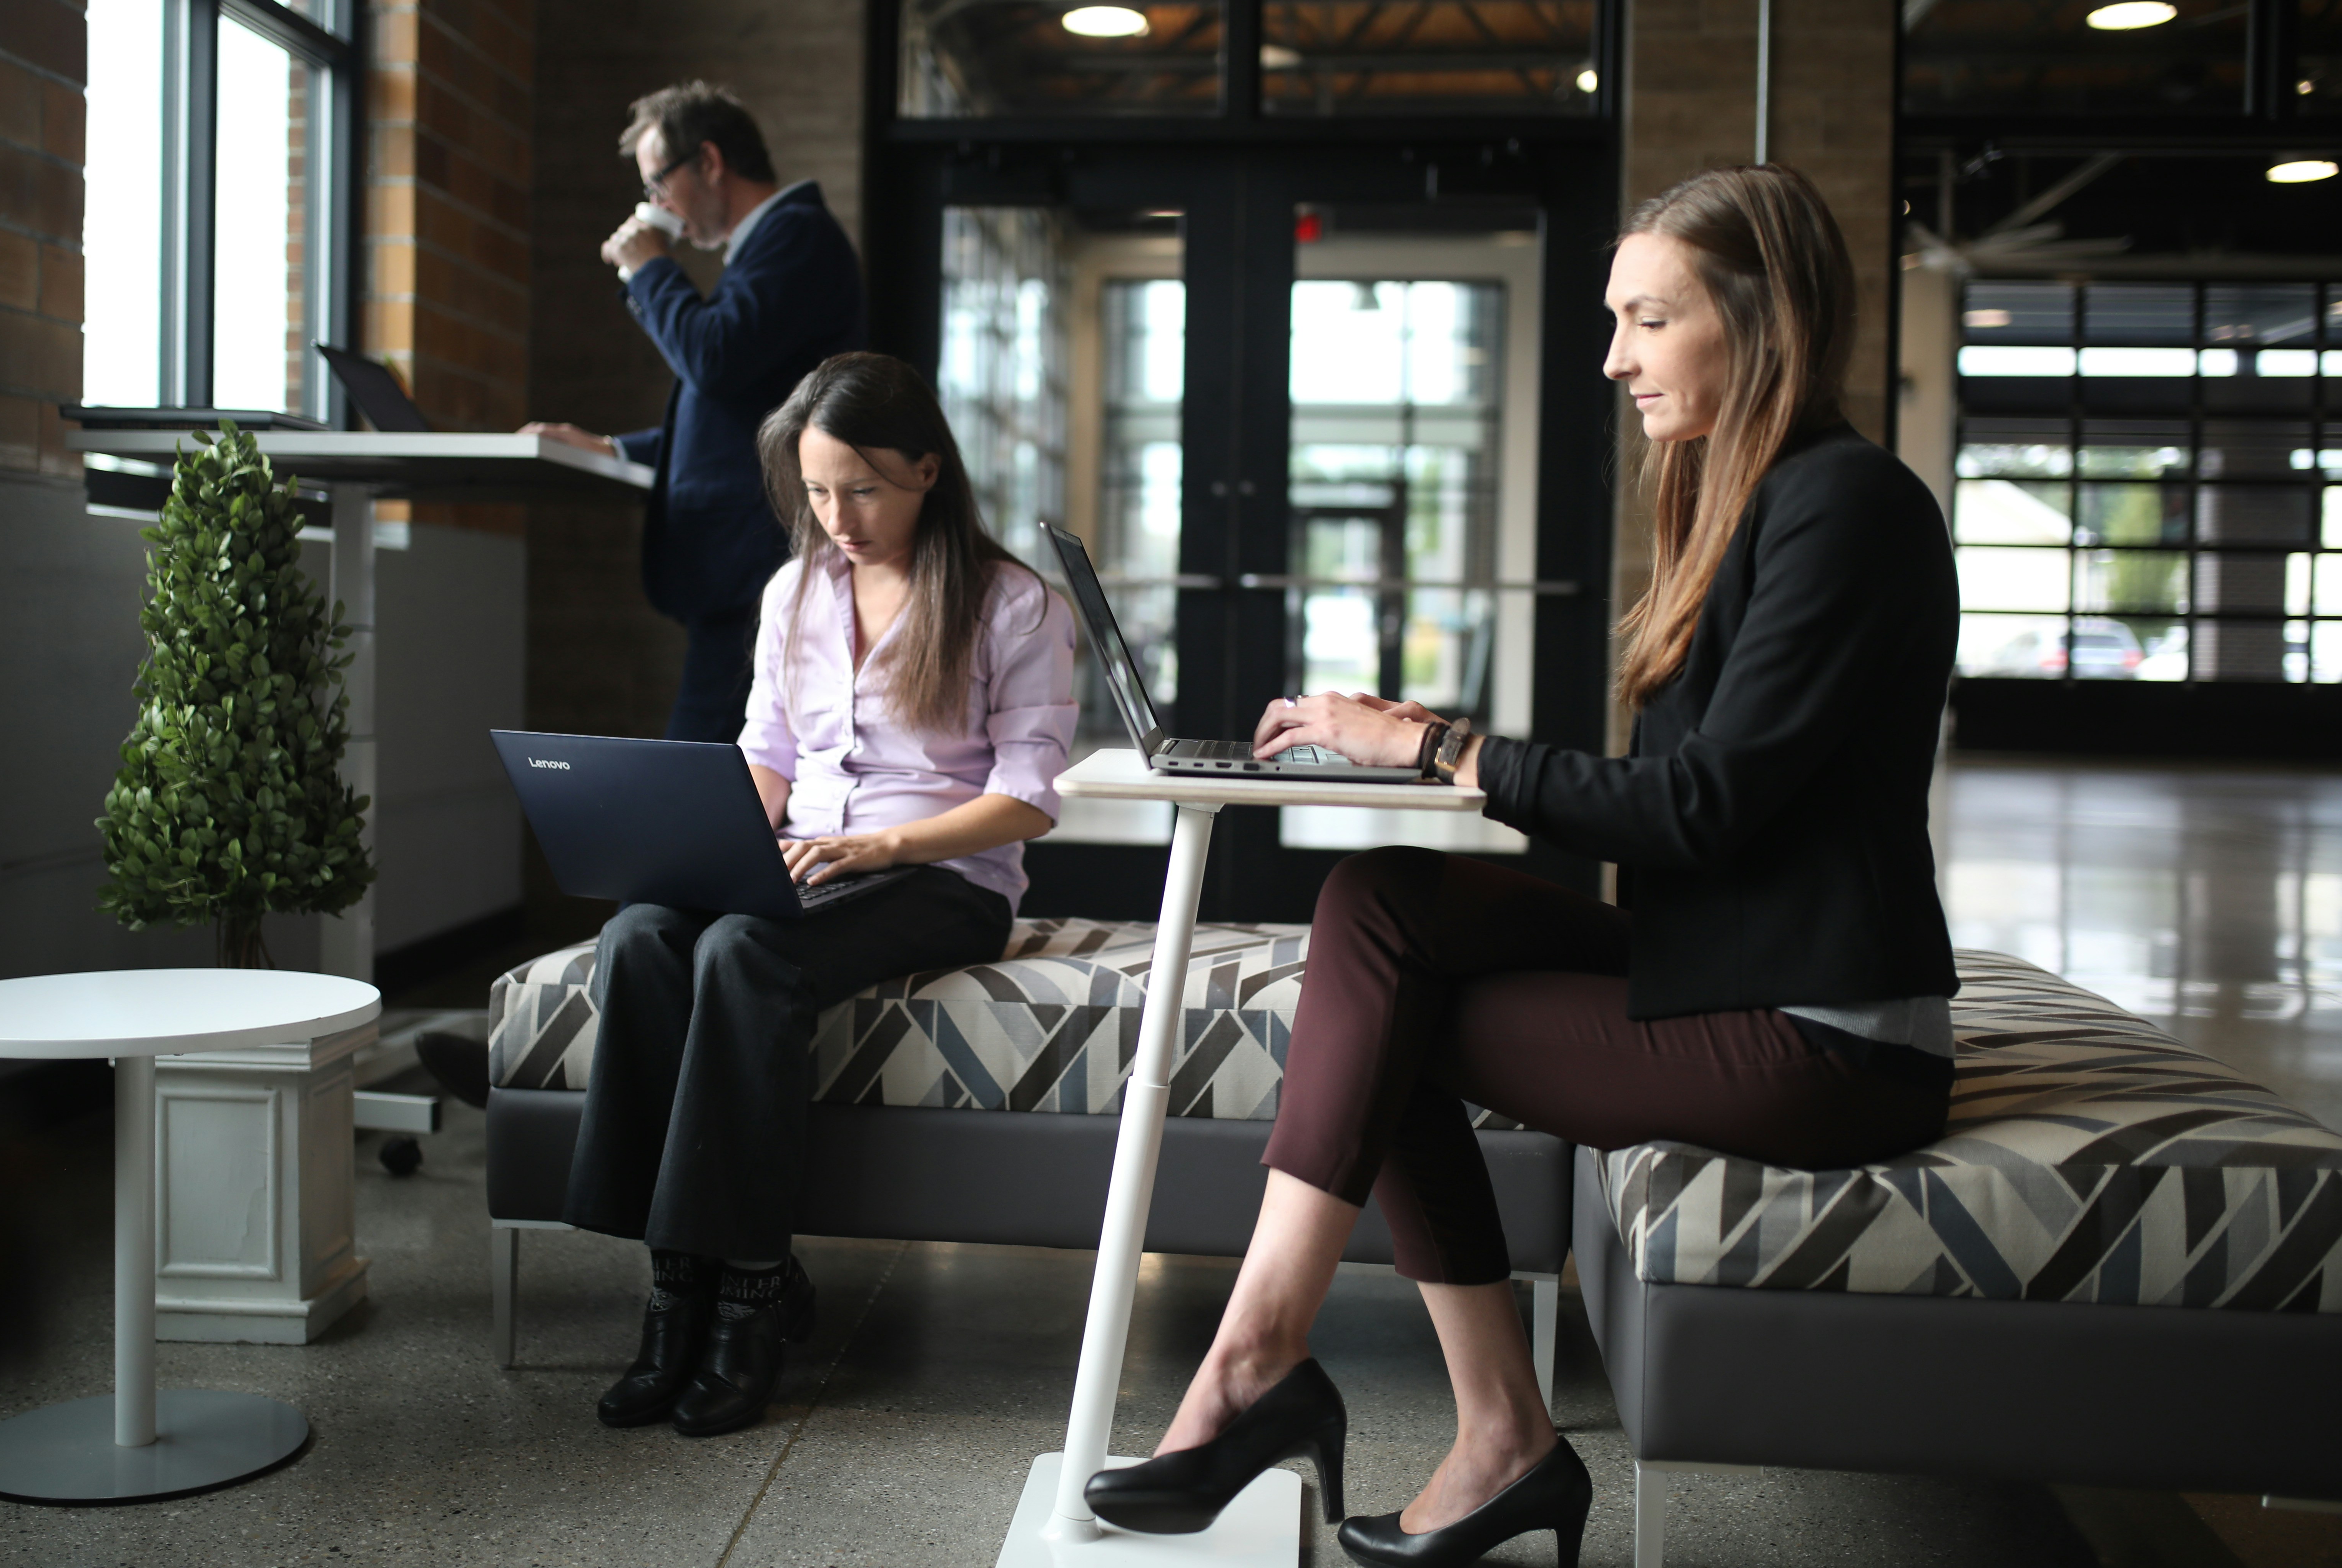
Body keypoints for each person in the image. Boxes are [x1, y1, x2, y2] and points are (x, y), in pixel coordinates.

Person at [1082, 165, 1960, 1568]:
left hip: (1827, 1032)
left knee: (1393, 1024)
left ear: (1760, 315)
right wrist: (1420, 749)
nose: (1614, 357)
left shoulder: (1846, 508)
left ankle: (1348, 1393)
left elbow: (1699, 809)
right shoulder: (1750, 502)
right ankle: (1331, 1385)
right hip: (1727, 963)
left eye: (1648, 320)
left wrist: (1437, 749)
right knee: (1376, 906)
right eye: (1616, 321)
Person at [563, 352, 1079, 1438]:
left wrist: (886, 846)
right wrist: (706, 846)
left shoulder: (1012, 602)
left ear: (928, 469)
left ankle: (749, 1288)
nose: (837, 515)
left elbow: (1028, 800)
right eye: (816, 490)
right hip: (808, 860)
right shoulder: (794, 591)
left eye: (863, 488)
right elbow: (768, 751)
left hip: (941, 877)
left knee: (742, 953)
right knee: (645, 936)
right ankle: (675, 1286)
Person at [522, 81, 869, 743]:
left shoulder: (797, 238)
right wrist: (613, 448)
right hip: (745, 569)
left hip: (753, 567)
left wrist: (650, 270)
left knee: (704, 777)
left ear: (709, 162)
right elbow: (742, 417)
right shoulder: (775, 247)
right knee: (725, 777)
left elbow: (713, 359)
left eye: (658, 183)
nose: (657, 205)